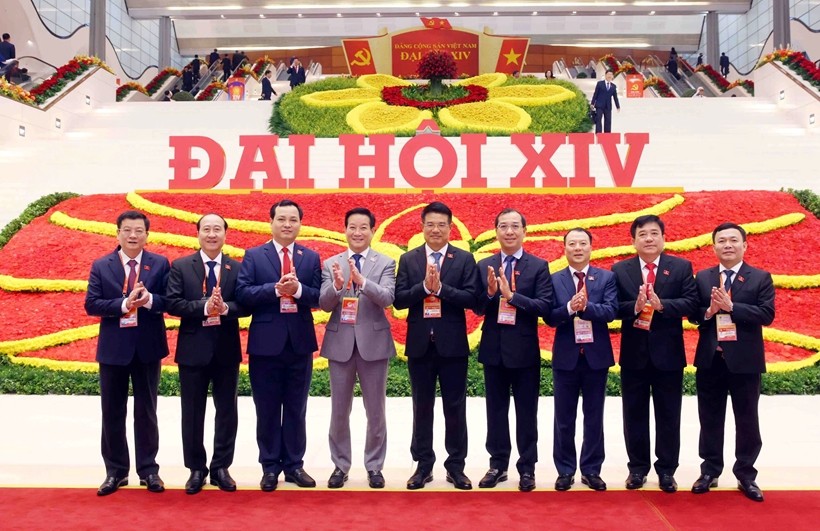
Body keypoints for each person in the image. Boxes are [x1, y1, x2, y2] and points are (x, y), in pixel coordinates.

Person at [236, 199, 322, 492]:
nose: (287, 224)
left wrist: (297, 290)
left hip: (299, 344)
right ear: (271, 222)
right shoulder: (254, 256)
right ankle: (270, 466)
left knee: (297, 407)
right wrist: (275, 289)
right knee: (268, 408)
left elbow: (318, 297)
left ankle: (295, 465)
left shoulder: (310, 257)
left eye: (293, 220)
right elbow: (243, 294)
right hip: (265, 345)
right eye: (282, 219)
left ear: (300, 224)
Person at [394, 201, 480, 491]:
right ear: (422, 226)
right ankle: (423, 465)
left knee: (455, 406)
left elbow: (472, 298)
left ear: (450, 228)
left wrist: (441, 289)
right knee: (422, 406)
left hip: (452, 345)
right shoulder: (409, 259)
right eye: (430, 224)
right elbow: (399, 300)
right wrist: (424, 288)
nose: (435, 229)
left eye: (441, 224)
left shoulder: (464, 259)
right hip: (420, 344)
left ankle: (456, 466)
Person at [84, 210, 170, 496]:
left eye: (139, 231)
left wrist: (149, 300)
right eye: (127, 230)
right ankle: (116, 472)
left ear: (147, 234)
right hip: (114, 348)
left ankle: (149, 470)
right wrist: (124, 305)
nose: (133, 235)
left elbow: (170, 300)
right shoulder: (101, 265)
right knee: (112, 411)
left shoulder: (159, 263)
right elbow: (92, 304)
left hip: (147, 347)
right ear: (118, 233)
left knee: (147, 411)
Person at [611, 215, 698, 493]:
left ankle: (667, 470)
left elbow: (691, 303)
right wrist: (634, 307)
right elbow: (613, 307)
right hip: (634, 355)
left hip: (668, 355)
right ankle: (637, 469)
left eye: (653, 233)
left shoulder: (681, 267)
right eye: (642, 234)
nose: (648, 239)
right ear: (633, 240)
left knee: (669, 415)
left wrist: (662, 306)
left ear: (663, 238)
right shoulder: (620, 269)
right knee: (633, 414)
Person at [688, 223, 775, 502]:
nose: (727, 245)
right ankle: (710, 471)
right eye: (722, 240)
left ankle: (746, 475)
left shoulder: (760, 277)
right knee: (709, 418)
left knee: (747, 419)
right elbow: (693, 314)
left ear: (744, 245)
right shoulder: (703, 277)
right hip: (711, 359)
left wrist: (732, 307)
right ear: (714, 246)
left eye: (733, 240)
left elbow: (766, 314)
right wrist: (709, 311)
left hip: (745, 361)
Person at [165, 214, 248, 495]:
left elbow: (246, 304)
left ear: (225, 233)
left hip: (226, 350)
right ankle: (196, 469)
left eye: (217, 229)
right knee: (192, 413)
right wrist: (203, 308)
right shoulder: (181, 266)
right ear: (198, 233)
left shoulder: (236, 267)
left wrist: (225, 309)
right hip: (193, 350)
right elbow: (173, 303)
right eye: (206, 229)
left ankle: (221, 467)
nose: (212, 234)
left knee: (227, 412)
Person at [474, 209, 553, 492]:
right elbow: (476, 307)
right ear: (496, 231)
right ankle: (497, 465)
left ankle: (527, 467)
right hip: (494, 349)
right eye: (503, 226)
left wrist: (512, 297)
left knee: (526, 412)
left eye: (515, 226)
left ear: (524, 231)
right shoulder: (484, 265)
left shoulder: (538, 266)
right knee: (495, 411)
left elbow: (544, 306)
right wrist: (491, 293)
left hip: (524, 350)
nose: (509, 231)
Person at [319, 207, 396, 489]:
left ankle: (374, 466)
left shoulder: (385, 262)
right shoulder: (331, 263)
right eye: (352, 227)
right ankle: (340, 466)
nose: (357, 232)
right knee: (339, 410)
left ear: (373, 231)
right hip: (340, 343)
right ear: (345, 230)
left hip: (373, 344)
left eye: (364, 227)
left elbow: (388, 297)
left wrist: (363, 282)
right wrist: (338, 287)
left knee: (375, 411)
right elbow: (324, 303)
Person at [546, 228, 618, 492]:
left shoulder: (606, 277)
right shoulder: (554, 279)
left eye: (583, 243)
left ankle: (591, 470)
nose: (578, 248)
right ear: (564, 248)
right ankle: (565, 470)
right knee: (563, 418)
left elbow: (611, 311)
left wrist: (586, 307)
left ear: (590, 247)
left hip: (596, 357)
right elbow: (549, 316)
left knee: (594, 417)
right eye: (572, 244)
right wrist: (569, 308)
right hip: (566, 358)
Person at [590, 70, 620, 134]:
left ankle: (607, 135)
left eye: (611, 74)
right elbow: (595, 94)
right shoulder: (600, 84)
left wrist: (618, 106)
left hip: (608, 106)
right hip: (599, 105)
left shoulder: (613, 86)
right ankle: (598, 134)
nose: (610, 76)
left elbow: (615, 97)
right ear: (605, 75)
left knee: (608, 121)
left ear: (612, 76)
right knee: (598, 120)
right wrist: (592, 103)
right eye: (608, 74)